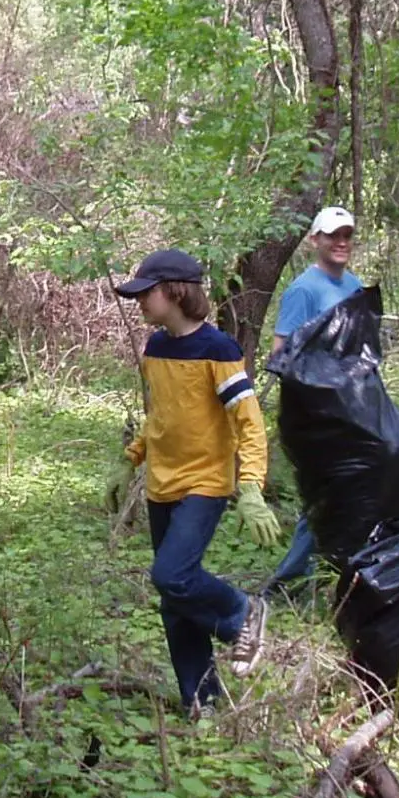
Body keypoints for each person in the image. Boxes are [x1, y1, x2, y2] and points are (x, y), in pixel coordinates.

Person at [105, 249, 285, 714]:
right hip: (161, 485)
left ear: (176, 292)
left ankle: (243, 614)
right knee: (173, 599)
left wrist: (249, 488)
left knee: (171, 575)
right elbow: (160, 416)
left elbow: (248, 423)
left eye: (147, 293)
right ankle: (201, 702)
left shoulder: (219, 350)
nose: (140, 302)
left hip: (204, 484)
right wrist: (130, 460)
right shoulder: (157, 348)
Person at [262, 207, 364, 585]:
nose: (341, 242)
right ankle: (288, 581)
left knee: (348, 490)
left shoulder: (354, 286)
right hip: (319, 413)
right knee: (323, 495)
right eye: (333, 234)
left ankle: (336, 571)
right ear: (315, 240)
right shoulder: (303, 290)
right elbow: (280, 354)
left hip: (352, 408)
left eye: (347, 235)